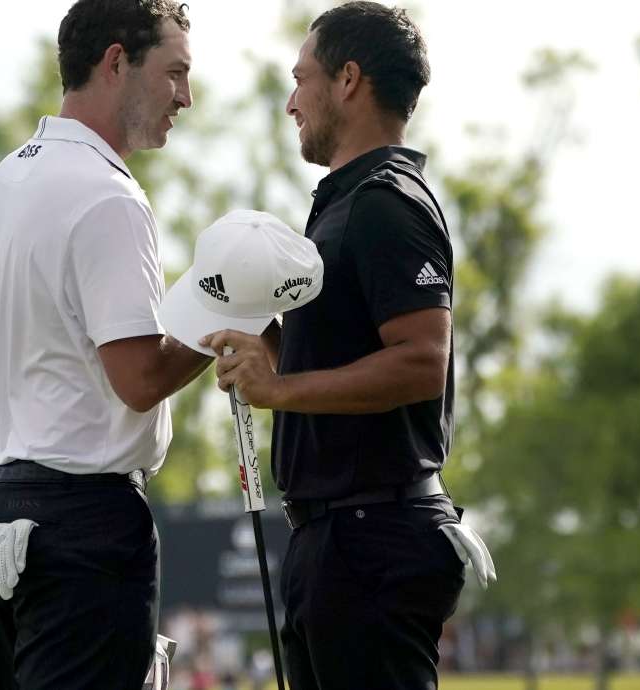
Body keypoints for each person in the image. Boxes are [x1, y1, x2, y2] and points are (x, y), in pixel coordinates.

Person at [200, 3, 494, 689]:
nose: (290, 102)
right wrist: (272, 350)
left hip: (372, 541)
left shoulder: (386, 202)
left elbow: (424, 361)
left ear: (348, 80)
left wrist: (281, 390)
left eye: (301, 79)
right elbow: (348, 346)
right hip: (341, 542)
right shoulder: (344, 202)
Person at [0, 2, 211, 689]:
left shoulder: (1, 184)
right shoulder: (108, 197)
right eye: (175, 73)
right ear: (117, 61)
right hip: (80, 524)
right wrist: (230, 313)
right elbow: (140, 377)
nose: (186, 97)